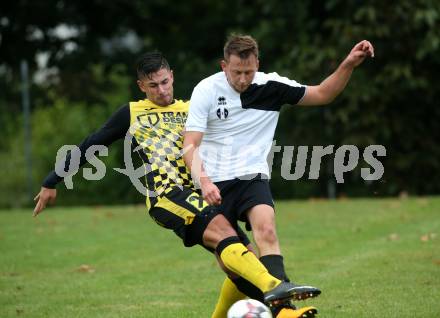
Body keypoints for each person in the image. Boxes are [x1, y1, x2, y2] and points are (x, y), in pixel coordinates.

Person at [33, 51, 315, 318]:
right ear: (141, 86)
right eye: (153, 85)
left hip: (200, 192)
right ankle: (277, 293)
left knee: (244, 263)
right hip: (166, 194)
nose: (161, 90)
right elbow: (91, 144)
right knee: (232, 244)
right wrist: (51, 181)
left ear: (173, 77)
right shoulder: (131, 113)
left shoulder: (191, 108)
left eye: (165, 82)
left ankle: (274, 301)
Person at [183, 34, 374, 316]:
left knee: (267, 229)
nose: (243, 79)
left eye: (249, 71)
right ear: (224, 66)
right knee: (235, 265)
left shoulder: (271, 85)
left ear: (257, 64)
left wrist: (348, 64)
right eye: (236, 72)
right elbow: (190, 145)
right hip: (214, 182)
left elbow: (323, 93)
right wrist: (205, 181)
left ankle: (285, 311)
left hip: (251, 177)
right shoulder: (206, 90)